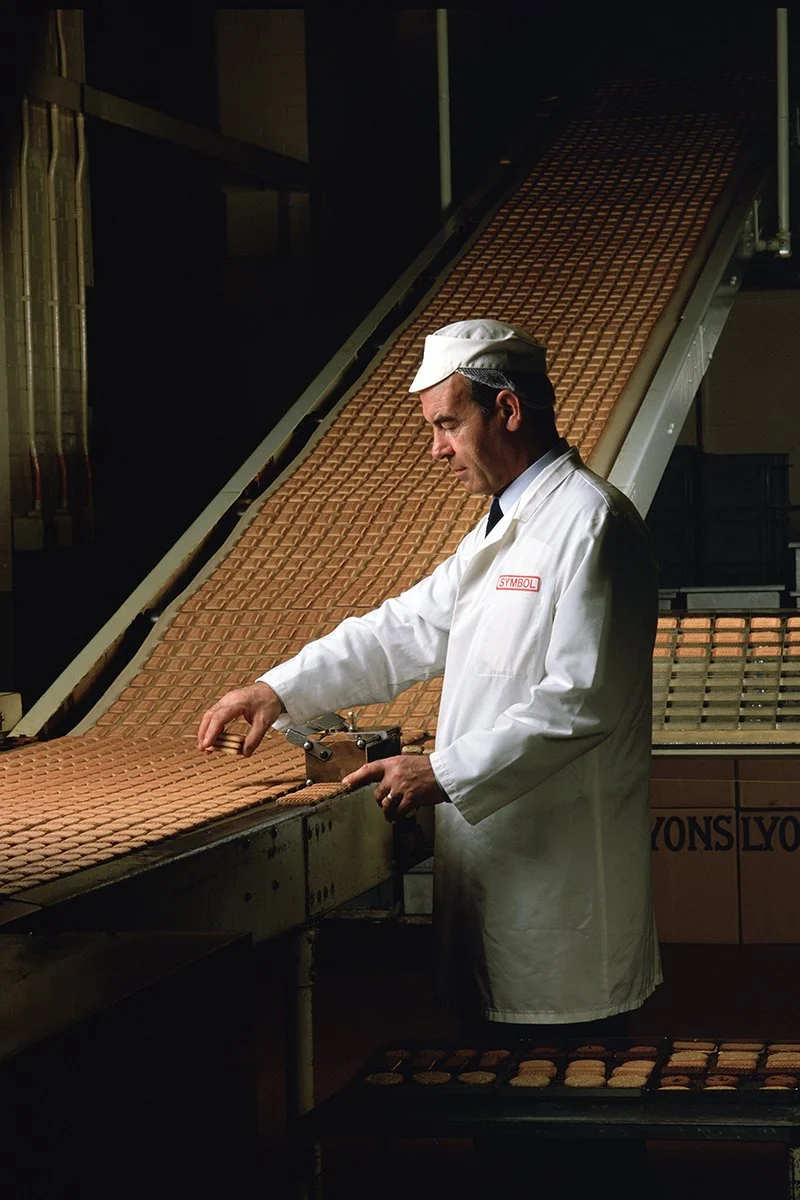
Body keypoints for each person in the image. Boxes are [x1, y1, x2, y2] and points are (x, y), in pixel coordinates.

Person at [198, 318, 662, 1036]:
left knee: (569, 1122)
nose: (436, 449)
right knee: (501, 1121)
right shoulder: (500, 530)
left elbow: (579, 704)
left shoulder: (591, 526)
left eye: (447, 425)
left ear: (506, 410)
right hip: (498, 886)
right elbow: (403, 629)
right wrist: (277, 689)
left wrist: (439, 770)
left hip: (565, 914)